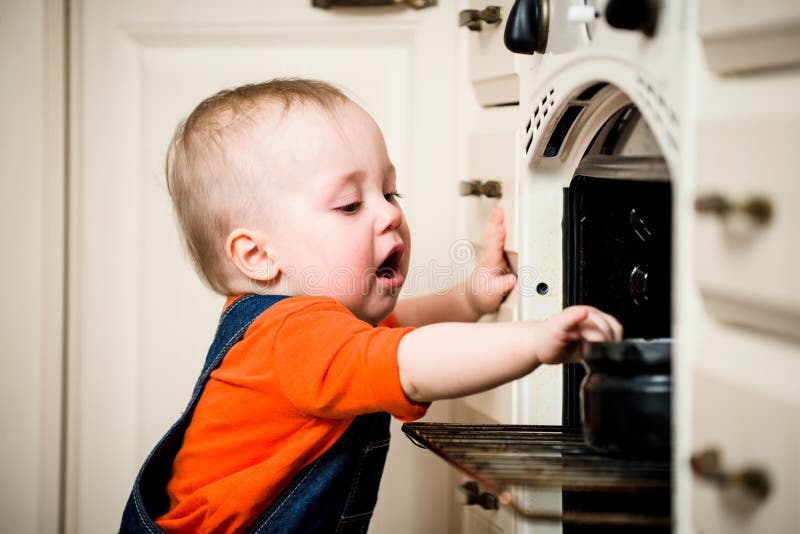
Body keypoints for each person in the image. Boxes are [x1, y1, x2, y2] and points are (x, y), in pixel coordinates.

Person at [119, 78, 623, 534]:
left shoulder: (302, 331)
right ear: (257, 255)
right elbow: (412, 360)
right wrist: (535, 340)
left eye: (389, 191)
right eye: (350, 205)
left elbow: (396, 331)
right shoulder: (295, 339)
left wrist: (470, 297)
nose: (390, 214)